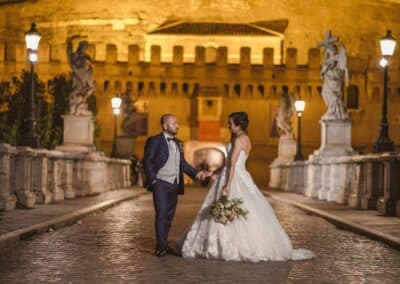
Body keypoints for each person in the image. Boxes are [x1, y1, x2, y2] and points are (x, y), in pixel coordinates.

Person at [177, 112, 314, 262]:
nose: (228, 125)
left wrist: (228, 185)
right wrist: (212, 173)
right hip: (240, 175)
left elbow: (233, 164)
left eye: (231, 123)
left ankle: (223, 246)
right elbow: (228, 163)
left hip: (233, 177)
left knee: (229, 209)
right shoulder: (243, 139)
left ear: (239, 125)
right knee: (243, 210)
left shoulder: (239, 140)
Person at [143, 114, 208, 257]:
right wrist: (153, 180)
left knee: (169, 216)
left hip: (174, 184)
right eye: (174, 123)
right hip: (160, 183)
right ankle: (160, 247)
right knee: (161, 214)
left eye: (177, 123)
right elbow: (147, 161)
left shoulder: (179, 143)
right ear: (165, 125)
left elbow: (183, 164)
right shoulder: (155, 141)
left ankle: (165, 244)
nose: (177, 126)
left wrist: (196, 174)